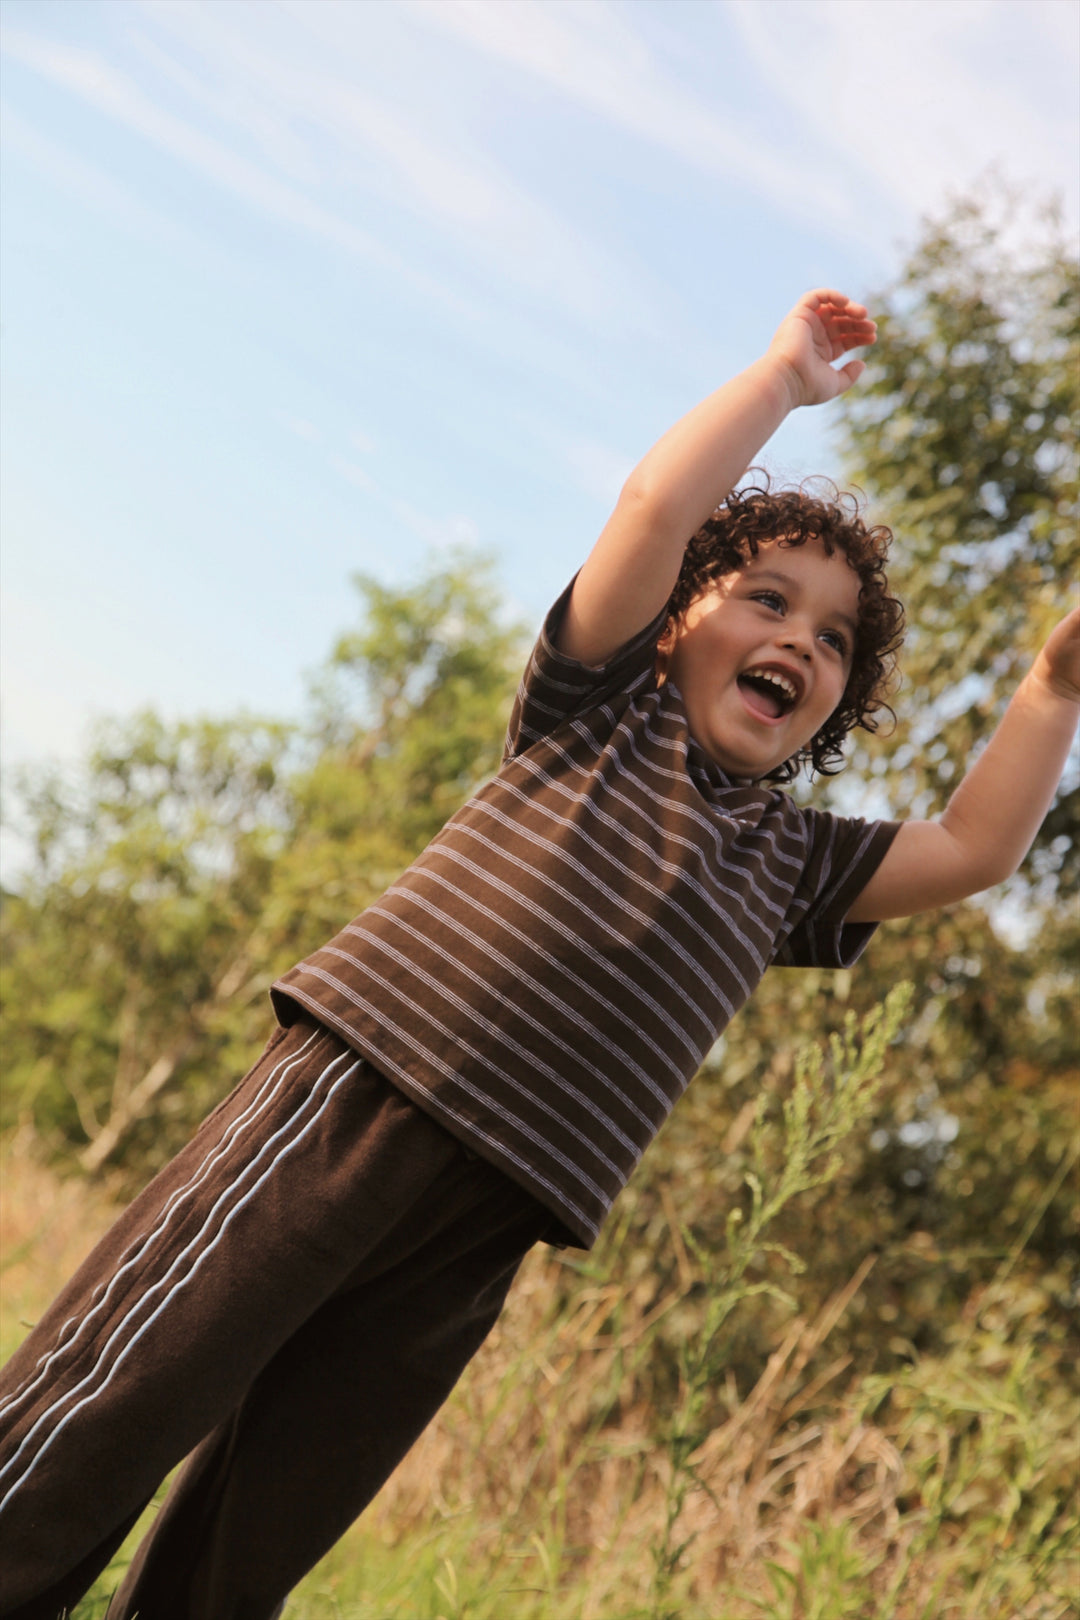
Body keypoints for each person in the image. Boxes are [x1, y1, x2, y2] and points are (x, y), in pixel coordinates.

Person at [1, 291, 1076, 1620]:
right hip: (358, 1105)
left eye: (834, 638)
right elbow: (649, 513)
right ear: (678, 618)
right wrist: (781, 381)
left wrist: (1053, 691)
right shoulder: (601, 707)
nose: (800, 637)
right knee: (122, 1395)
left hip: (499, 1216)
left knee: (264, 1531)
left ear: (833, 704)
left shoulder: (796, 863)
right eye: (768, 600)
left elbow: (975, 848)